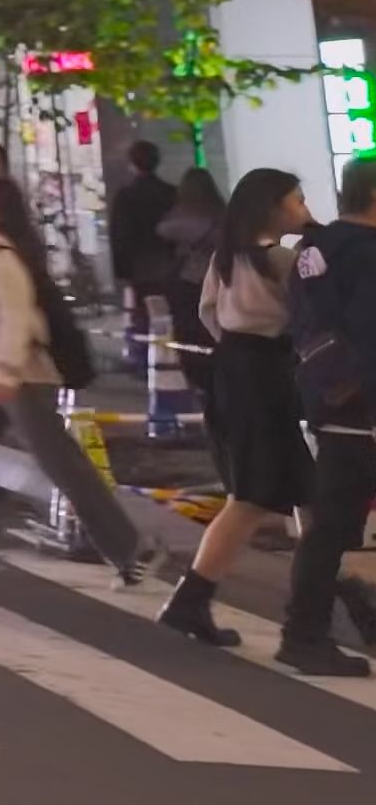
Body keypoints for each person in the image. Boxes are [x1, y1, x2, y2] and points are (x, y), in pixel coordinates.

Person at [0, 174, 158, 585]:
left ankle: (131, 548)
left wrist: (4, 368)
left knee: (62, 465)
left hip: (23, 375)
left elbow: (16, 317)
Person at [161, 168, 316, 650]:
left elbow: (209, 313)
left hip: (233, 368)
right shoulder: (284, 260)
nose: (303, 207)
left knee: (306, 494)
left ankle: (331, 595)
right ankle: (194, 598)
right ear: (273, 208)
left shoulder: (227, 258)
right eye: (297, 199)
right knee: (252, 497)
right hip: (267, 376)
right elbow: (313, 316)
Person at [281, 152, 376, 675]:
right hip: (363, 407)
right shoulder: (366, 253)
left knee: (334, 524)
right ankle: (303, 633)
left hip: (327, 396)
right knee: (334, 525)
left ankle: (307, 629)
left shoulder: (314, 248)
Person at [157, 163, 227, 403]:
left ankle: (201, 383)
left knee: (190, 332)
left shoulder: (178, 216)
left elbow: (163, 232)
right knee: (214, 330)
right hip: (219, 280)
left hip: (189, 281)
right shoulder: (222, 215)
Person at [110, 137, 179, 308]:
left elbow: (120, 234)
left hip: (139, 267)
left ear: (133, 164)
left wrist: (122, 269)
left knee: (145, 313)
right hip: (169, 264)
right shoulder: (171, 193)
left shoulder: (125, 196)